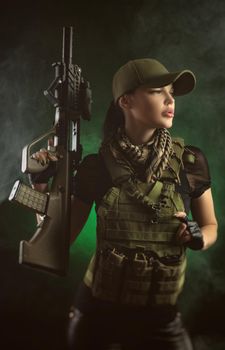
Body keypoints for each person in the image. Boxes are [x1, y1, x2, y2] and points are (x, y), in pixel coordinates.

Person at [31, 58, 218, 350]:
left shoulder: (190, 162)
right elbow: (56, 243)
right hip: (98, 317)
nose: (171, 99)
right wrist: (41, 185)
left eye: (172, 91)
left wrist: (199, 237)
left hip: (162, 318)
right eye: (158, 91)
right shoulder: (97, 168)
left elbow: (211, 226)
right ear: (126, 101)